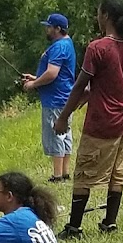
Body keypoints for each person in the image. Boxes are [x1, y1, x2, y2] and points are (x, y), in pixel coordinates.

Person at [54, 0, 123, 239]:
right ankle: (109, 223)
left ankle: (74, 227)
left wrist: (63, 117)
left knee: (84, 172)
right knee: (118, 172)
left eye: (98, 13)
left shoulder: (98, 47)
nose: (97, 17)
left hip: (102, 122)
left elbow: (81, 84)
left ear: (106, 16)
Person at [21, 13, 77, 182]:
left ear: (57, 29)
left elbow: (52, 74)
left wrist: (33, 85)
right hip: (65, 97)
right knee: (65, 133)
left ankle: (57, 176)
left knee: (56, 135)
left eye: (49, 26)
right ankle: (65, 173)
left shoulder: (59, 47)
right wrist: (35, 77)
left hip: (55, 99)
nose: (46, 29)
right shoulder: (67, 43)